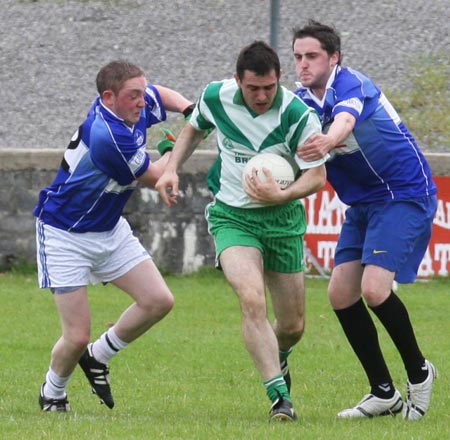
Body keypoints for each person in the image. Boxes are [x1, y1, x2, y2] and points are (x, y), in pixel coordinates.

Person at [155, 40, 327, 422]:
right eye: (253, 89)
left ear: (279, 79)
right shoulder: (217, 96)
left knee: (293, 326)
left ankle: (279, 357)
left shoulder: (298, 114)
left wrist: (281, 193)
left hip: (282, 220)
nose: (262, 96)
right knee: (252, 301)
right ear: (238, 81)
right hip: (232, 217)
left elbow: (317, 176)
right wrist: (171, 168)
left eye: (269, 87)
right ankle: (279, 398)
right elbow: (194, 127)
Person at [292, 20, 437, 420]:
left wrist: (328, 139)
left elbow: (345, 121)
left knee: (374, 290)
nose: (303, 65)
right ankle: (383, 393)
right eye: (298, 57)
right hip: (363, 204)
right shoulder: (299, 101)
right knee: (340, 294)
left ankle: (420, 373)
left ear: (333, 57)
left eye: (312, 56)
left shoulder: (352, 84)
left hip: (403, 193)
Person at [34, 60, 195, 412]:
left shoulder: (129, 107)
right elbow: (160, 178)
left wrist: (187, 108)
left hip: (108, 229)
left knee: (159, 301)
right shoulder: (108, 137)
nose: (142, 102)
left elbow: (160, 95)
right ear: (109, 97)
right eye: (133, 96)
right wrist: (175, 149)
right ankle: (53, 391)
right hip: (65, 234)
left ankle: (98, 356)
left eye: (141, 93)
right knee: (75, 335)